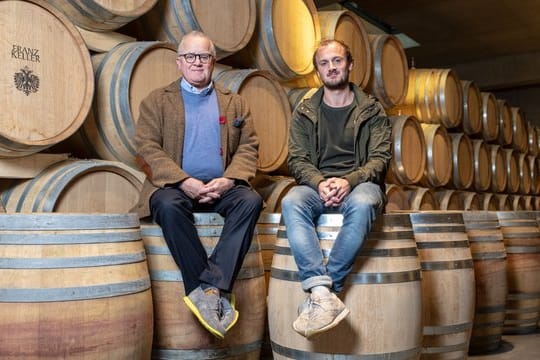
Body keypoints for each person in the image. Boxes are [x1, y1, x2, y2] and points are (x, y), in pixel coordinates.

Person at [133, 31, 263, 339]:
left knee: (251, 201)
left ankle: (212, 286)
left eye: (203, 56)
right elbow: (146, 148)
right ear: (179, 63)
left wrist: (230, 179)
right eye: (190, 56)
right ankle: (204, 288)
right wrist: (183, 180)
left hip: (222, 187)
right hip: (176, 186)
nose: (197, 62)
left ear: (213, 62)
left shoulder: (235, 102)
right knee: (165, 204)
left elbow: (249, 146)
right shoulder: (156, 100)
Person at [280, 39, 392, 338]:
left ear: (350, 64)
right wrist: (319, 182)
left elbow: (380, 159)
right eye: (324, 63)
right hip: (316, 185)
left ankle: (325, 291)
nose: (332, 67)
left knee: (366, 201)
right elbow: (297, 159)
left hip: (359, 184)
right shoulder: (304, 111)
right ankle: (320, 290)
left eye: (337, 61)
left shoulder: (372, 110)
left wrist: (349, 180)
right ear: (318, 70)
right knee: (292, 202)